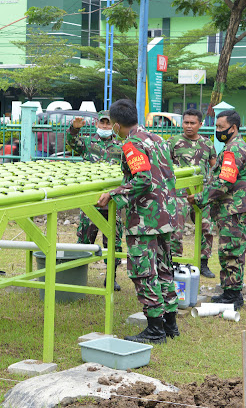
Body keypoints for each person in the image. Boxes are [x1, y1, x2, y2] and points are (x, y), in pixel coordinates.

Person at [97, 99, 179, 344]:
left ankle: (155, 329)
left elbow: (143, 180)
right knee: (164, 269)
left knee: (144, 272)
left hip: (145, 218)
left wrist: (114, 193)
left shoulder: (132, 144)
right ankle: (170, 324)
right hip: (166, 214)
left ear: (116, 124)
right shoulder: (155, 138)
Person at [188, 110, 246, 310]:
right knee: (234, 249)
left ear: (233, 128)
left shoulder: (232, 150)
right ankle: (230, 290)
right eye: (217, 127)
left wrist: (201, 198)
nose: (218, 131)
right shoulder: (235, 146)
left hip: (235, 207)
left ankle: (232, 295)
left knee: (231, 250)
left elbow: (224, 182)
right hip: (240, 205)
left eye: (221, 127)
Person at [67, 111, 124, 290]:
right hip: (90, 203)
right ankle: (77, 276)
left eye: (108, 124)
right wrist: (74, 130)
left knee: (113, 243)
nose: (105, 127)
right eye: (102, 123)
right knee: (84, 241)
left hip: (112, 203)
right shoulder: (87, 143)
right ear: (96, 124)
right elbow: (71, 143)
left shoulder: (121, 146)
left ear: (114, 125)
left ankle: (111, 278)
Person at [166, 109, 217, 278]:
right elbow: (164, 166)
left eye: (192, 123)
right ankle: (174, 263)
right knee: (176, 230)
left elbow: (214, 167)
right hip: (178, 194)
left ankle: (203, 263)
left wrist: (211, 188)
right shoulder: (173, 142)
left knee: (206, 228)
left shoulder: (207, 144)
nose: (188, 126)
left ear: (200, 125)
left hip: (200, 194)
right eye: (186, 122)